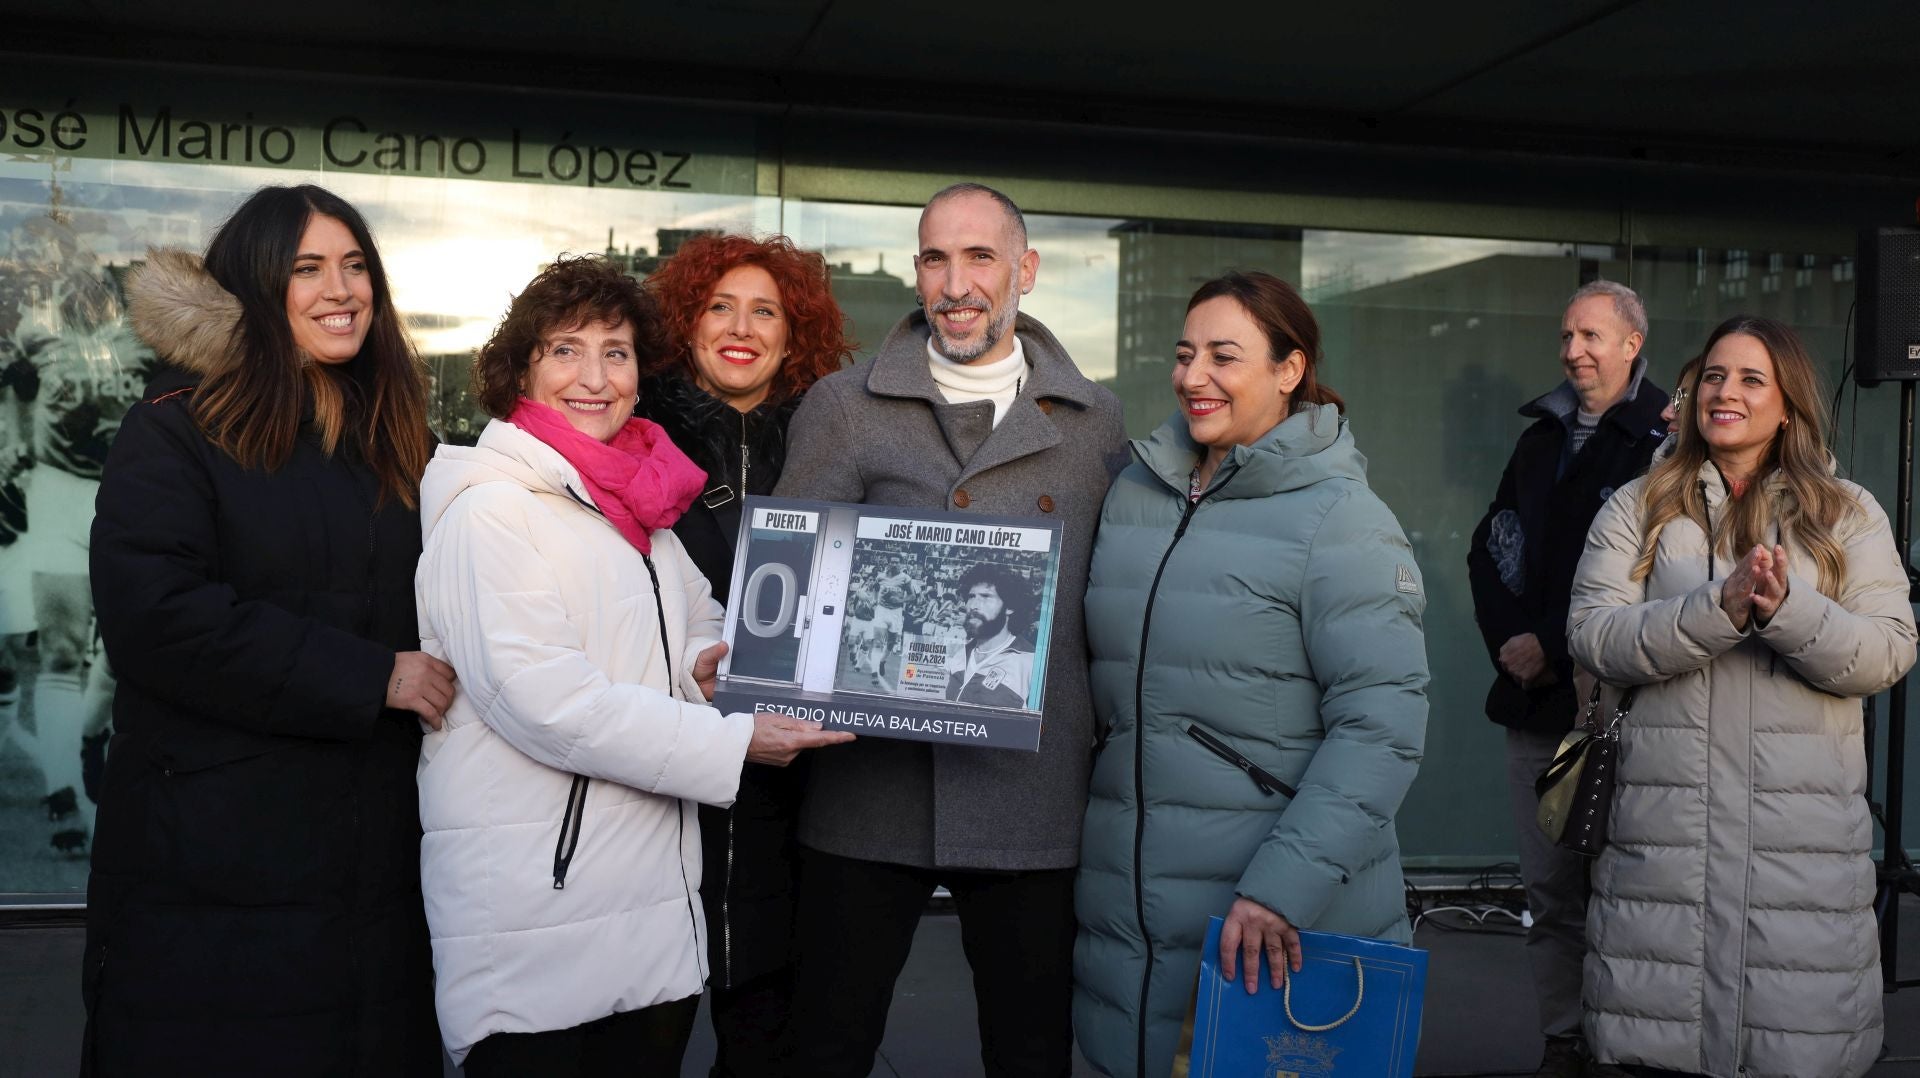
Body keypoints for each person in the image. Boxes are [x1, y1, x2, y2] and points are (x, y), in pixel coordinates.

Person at [411, 255, 852, 1076]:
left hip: (644, 917)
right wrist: (733, 741)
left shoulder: (635, 507)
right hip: (538, 917)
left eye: (615, 352)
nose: (594, 377)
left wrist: (717, 667)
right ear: (520, 369)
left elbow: (689, 624)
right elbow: (547, 702)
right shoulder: (491, 511)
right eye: (565, 350)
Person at [82, 184, 447, 1075]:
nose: (342, 289)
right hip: (209, 873)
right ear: (255, 286)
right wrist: (374, 677)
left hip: (373, 868)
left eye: (357, 266)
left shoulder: (399, 441)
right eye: (308, 269)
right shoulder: (175, 430)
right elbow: (156, 618)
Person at [776, 182, 1128, 1077]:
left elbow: (1114, 603)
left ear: (1026, 271)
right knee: (827, 1043)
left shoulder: (1095, 424)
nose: (956, 282)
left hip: (1032, 792)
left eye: (980, 257)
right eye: (936, 257)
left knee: (1029, 1050)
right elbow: (789, 587)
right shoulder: (841, 406)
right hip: (869, 793)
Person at [1072, 271, 1429, 1078]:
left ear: (1289, 369)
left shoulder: (1342, 519)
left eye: (1224, 356)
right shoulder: (1137, 490)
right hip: (1124, 914)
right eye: (1185, 353)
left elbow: (1382, 729)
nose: (1194, 377)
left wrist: (1280, 890)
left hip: (1273, 915)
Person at [1569, 316, 1916, 1078]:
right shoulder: (1640, 503)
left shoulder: (1847, 513)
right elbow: (1592, 635)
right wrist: (1714, 612)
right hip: (1664, 855)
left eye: (1751, 379)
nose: (1725, 393)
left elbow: (1889, 651)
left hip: (1804, 865)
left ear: (1788, 403)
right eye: (1713, 377)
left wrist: (1788, 613)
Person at [637, 232, 852, 1077]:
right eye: (719, 305)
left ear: (794, 336)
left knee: (770, 1038)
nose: (742, 326)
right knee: (638, 1035)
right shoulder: (629, 434)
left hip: (794, 796)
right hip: (659, 789)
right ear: (685, 323)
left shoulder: (830, 444)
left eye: (766, 310)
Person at [1466, 280, 1670, 1077]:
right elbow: (1491, 545)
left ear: (1631, 345)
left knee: (1624, 890)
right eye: (1566, 337)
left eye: (1590, 336)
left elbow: (1652, 572)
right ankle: (1563, 1038)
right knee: (1551, 891)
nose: (1573, 351)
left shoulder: (1664, 441)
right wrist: (1514, 643)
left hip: (1621, 708)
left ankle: (1624, 1041)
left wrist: (1551, 641)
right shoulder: (1541, 436)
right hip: (1535, 704)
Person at [944, 562, 1036, 707]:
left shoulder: (1030, 664)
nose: (973, 605)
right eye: (971, 596)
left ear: (1010, 607)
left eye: (985, 596)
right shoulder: (959, 655)